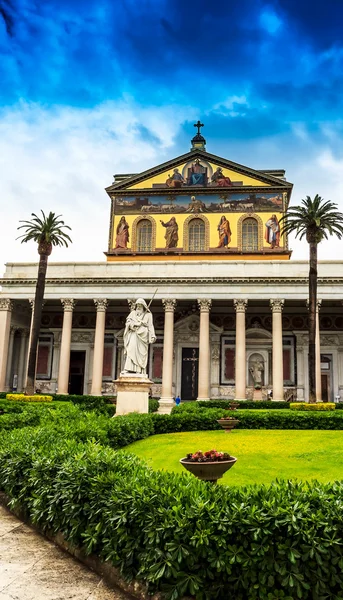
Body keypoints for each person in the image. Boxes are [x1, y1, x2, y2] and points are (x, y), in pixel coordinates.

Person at [123, 298, 156, 374]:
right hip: (133, 335)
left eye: (140, 306)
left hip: (143, 337)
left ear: (144, 306)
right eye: (137, 305)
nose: (138, 307)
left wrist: (153, 335)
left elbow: (150, 326)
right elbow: (128, 323)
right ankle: (128, 368)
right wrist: (135, 324)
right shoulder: (132, 314)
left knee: (140, 354)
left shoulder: (148, 315)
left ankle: (139, 370)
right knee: (131, 350)